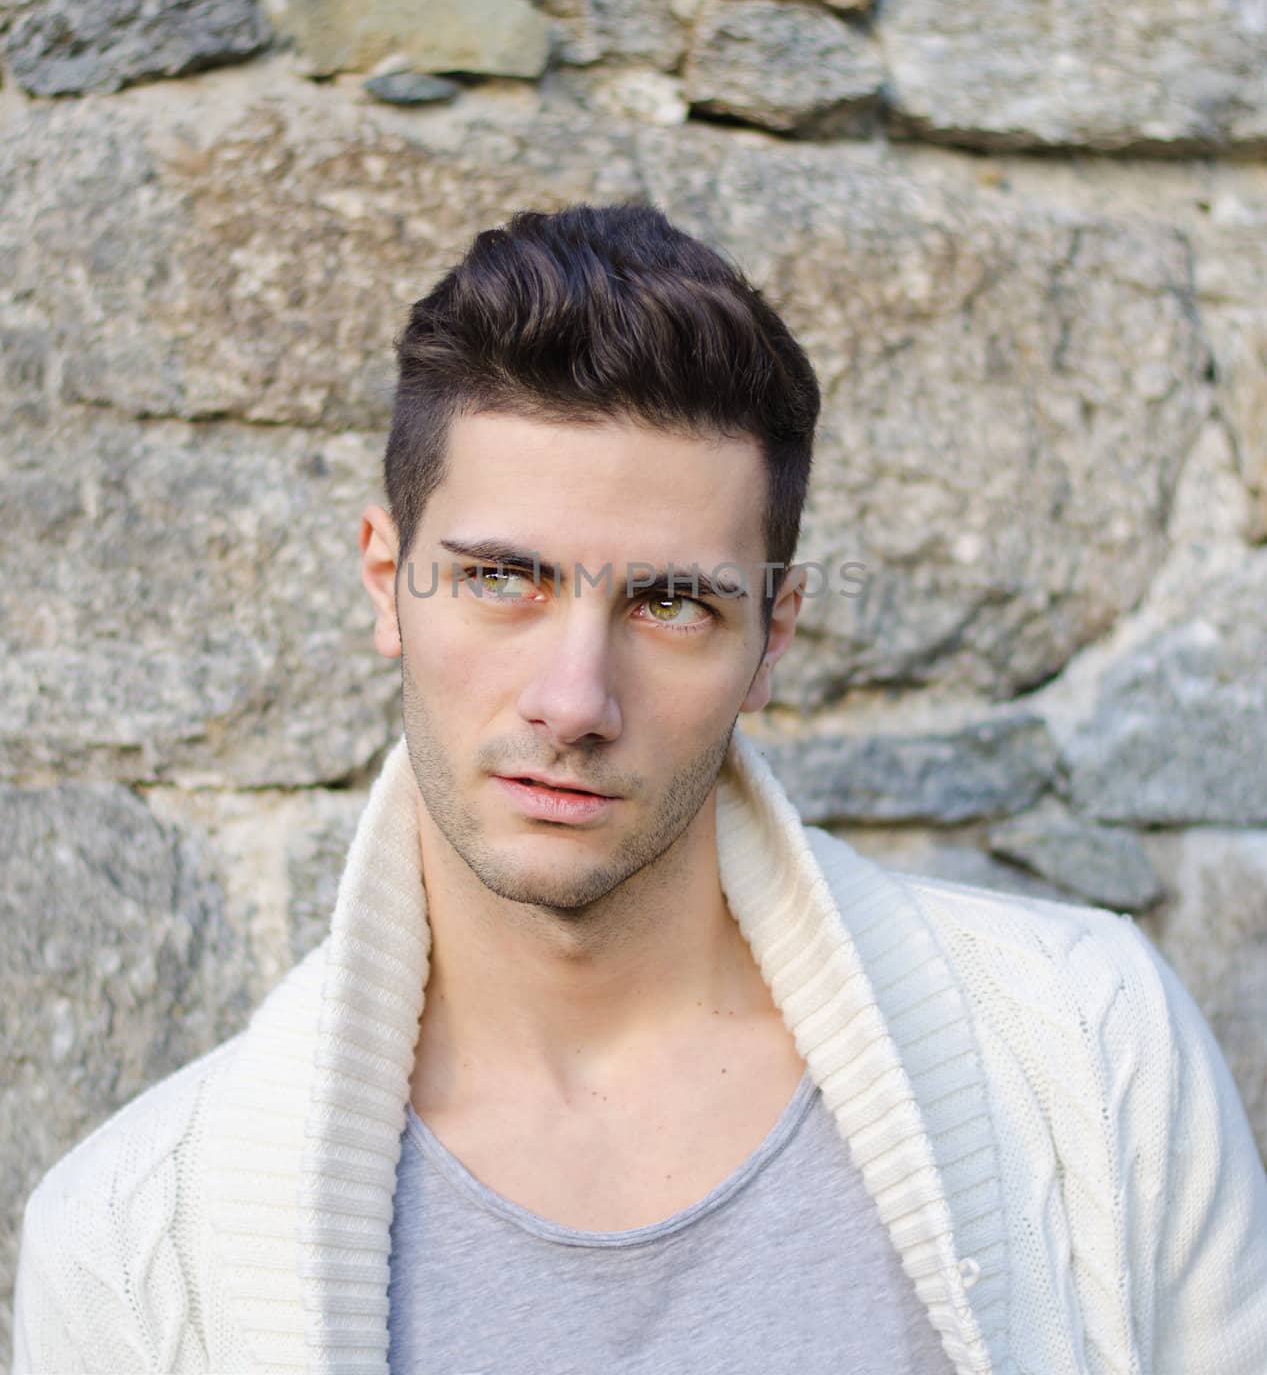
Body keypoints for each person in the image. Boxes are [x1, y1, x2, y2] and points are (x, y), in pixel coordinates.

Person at [11, 203, 1267, 1375]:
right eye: (503, 577)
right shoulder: (129, 1248)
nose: (573, 700)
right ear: (385, 579)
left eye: (671, 602)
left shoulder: (1095, 1061)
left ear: (773, 634)